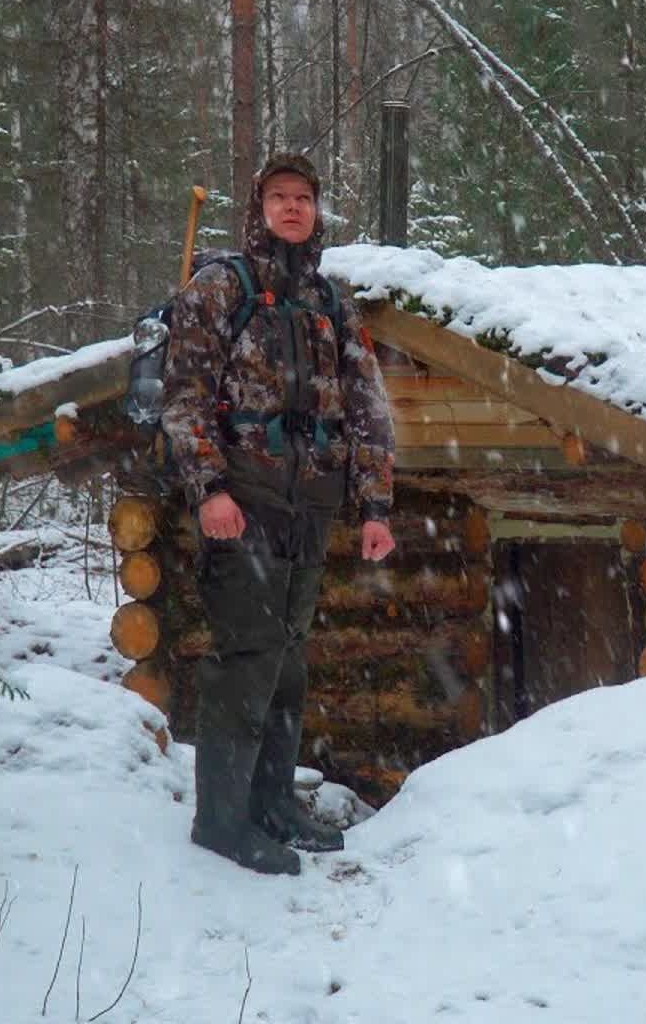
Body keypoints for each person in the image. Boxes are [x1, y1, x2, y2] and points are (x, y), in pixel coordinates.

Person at [161, 153, 396, 875]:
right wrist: (209, 490)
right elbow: (185, 394)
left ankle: (272, 804)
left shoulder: (330, 301)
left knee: (288, 660)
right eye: (278, 197)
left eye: (303, 198)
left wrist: (374, 506)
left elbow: (367, 408)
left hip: (312, 504)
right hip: (246, 500)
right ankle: (222, 821)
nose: (292, 208)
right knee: (247, 660)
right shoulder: (219, 288)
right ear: (257, 209)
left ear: (317, 211)